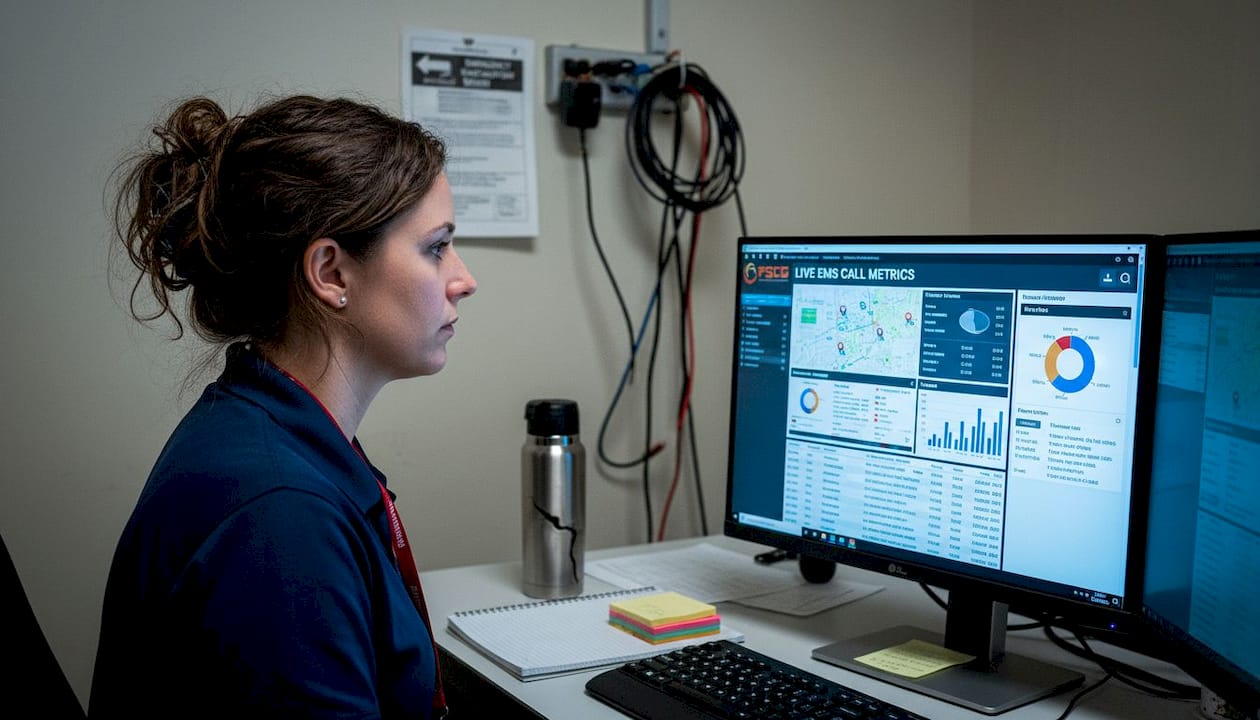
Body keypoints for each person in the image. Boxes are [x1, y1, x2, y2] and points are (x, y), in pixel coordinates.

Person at [89, 94, 476, 719]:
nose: (463, 278)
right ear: (332, 273)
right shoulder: (281, 516)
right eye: (436, 248)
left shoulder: (264, 428)